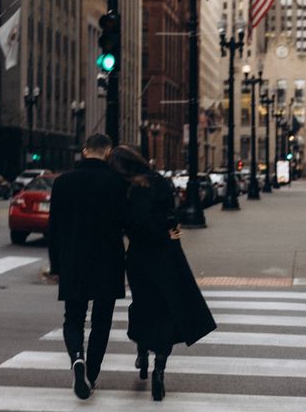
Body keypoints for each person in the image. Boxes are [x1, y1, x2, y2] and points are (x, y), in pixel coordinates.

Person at [108, 145, 217, 401]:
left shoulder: (127, 190)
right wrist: (171, 234)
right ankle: (159, 369)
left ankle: (143, 353)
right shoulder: (160, 183)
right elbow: (172, 216)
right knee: (166, 310)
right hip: (166, 254)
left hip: (139, 257)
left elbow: (128, 223)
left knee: (143, 307)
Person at [49, 133, 126, 400]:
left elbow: (54, 229)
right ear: (108, 153)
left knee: (73, 318)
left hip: (73, 260)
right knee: (101, 322)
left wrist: (55, 265)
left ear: (85, 152)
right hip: (108, 261)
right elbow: (127, 225)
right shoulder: (117, 183)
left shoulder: (62, 183)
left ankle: (77, 359)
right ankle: (91, 376)